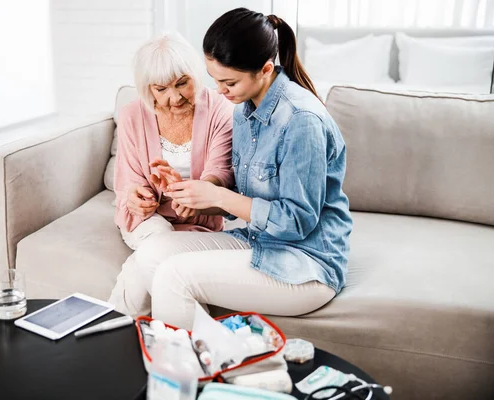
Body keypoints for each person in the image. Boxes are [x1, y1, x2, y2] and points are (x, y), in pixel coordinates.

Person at [134, 8, 353, 329]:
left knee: (173, 277)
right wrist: (190, 193)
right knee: (151, 252)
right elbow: (242, 194)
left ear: (265, 69)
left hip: (306, 264)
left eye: (229, 82)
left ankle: (187, 371)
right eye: (215, 80)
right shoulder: (244, 108)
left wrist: (218, 198)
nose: (219, 91)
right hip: (259, 241)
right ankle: (215, 350)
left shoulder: (301, 120)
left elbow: (297, 221)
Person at [108, 32, 235, 316]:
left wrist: (193, 195)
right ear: (147, 88)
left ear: (195, 76)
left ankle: (114, 323)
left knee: (152, 257)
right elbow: (129, 180)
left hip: (199, 216)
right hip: (147, 219)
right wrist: (137, 197)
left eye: (182, 84)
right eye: (161, 89)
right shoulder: (131, 115)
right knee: (160, 238)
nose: (174, 97)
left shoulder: (220, 111)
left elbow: (221, 172)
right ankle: (202, 339)